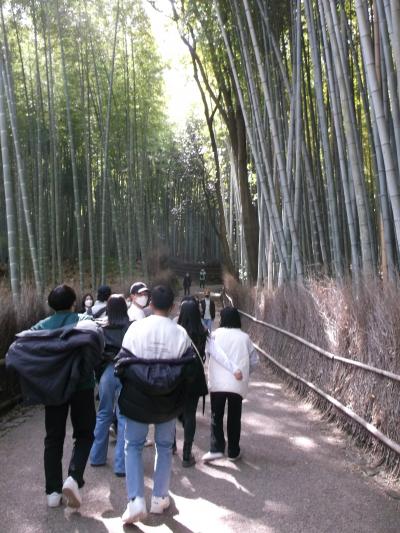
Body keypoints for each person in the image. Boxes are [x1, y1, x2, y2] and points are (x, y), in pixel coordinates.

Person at [115, 285, 195, 524]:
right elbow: (188, 370)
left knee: (133, 446)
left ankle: (136, 500)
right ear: (172, 308)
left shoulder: (136, 328)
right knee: (163, 446)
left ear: (150, 304)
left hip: (138, 397)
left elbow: (123, 363)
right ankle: (159, 498)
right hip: (167, 400)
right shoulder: (180, 333)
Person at [30, 285, 100, 508]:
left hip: (54, 388)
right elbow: (98, 346)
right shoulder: (83, 320)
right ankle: (74, 477)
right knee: (85, 434)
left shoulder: (41, 326)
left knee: (53, 438)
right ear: (73, 303)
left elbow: (27, 346)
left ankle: (52, 492)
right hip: (82, 386)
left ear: (51, 305)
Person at [177, 300, 240, 467]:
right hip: (194, 377)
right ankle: (186, 453)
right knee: (190, 414)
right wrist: (234, 369)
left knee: (172, 410)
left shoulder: (174, 331)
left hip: (174, 376)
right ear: (198, 314)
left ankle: (169, 445)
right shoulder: (203, 333)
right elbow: (218, 354)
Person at [202, 306, 259, 463]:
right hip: (237, 383)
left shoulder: (214, 335)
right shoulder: (245, 338)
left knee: (216, 415)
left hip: (218, 383)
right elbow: (254, 361)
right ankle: (233, 451)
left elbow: (207, 355)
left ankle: (216, 448)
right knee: (235, 416)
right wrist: (246, 372)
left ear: (222, 319)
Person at [90, 295, 130, 477]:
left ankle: (96, 457)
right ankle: (121, 465)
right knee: (123, 417)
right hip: (126, 373)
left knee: (103, 413)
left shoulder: (100, 326)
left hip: (106, 373)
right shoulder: (131, 326)